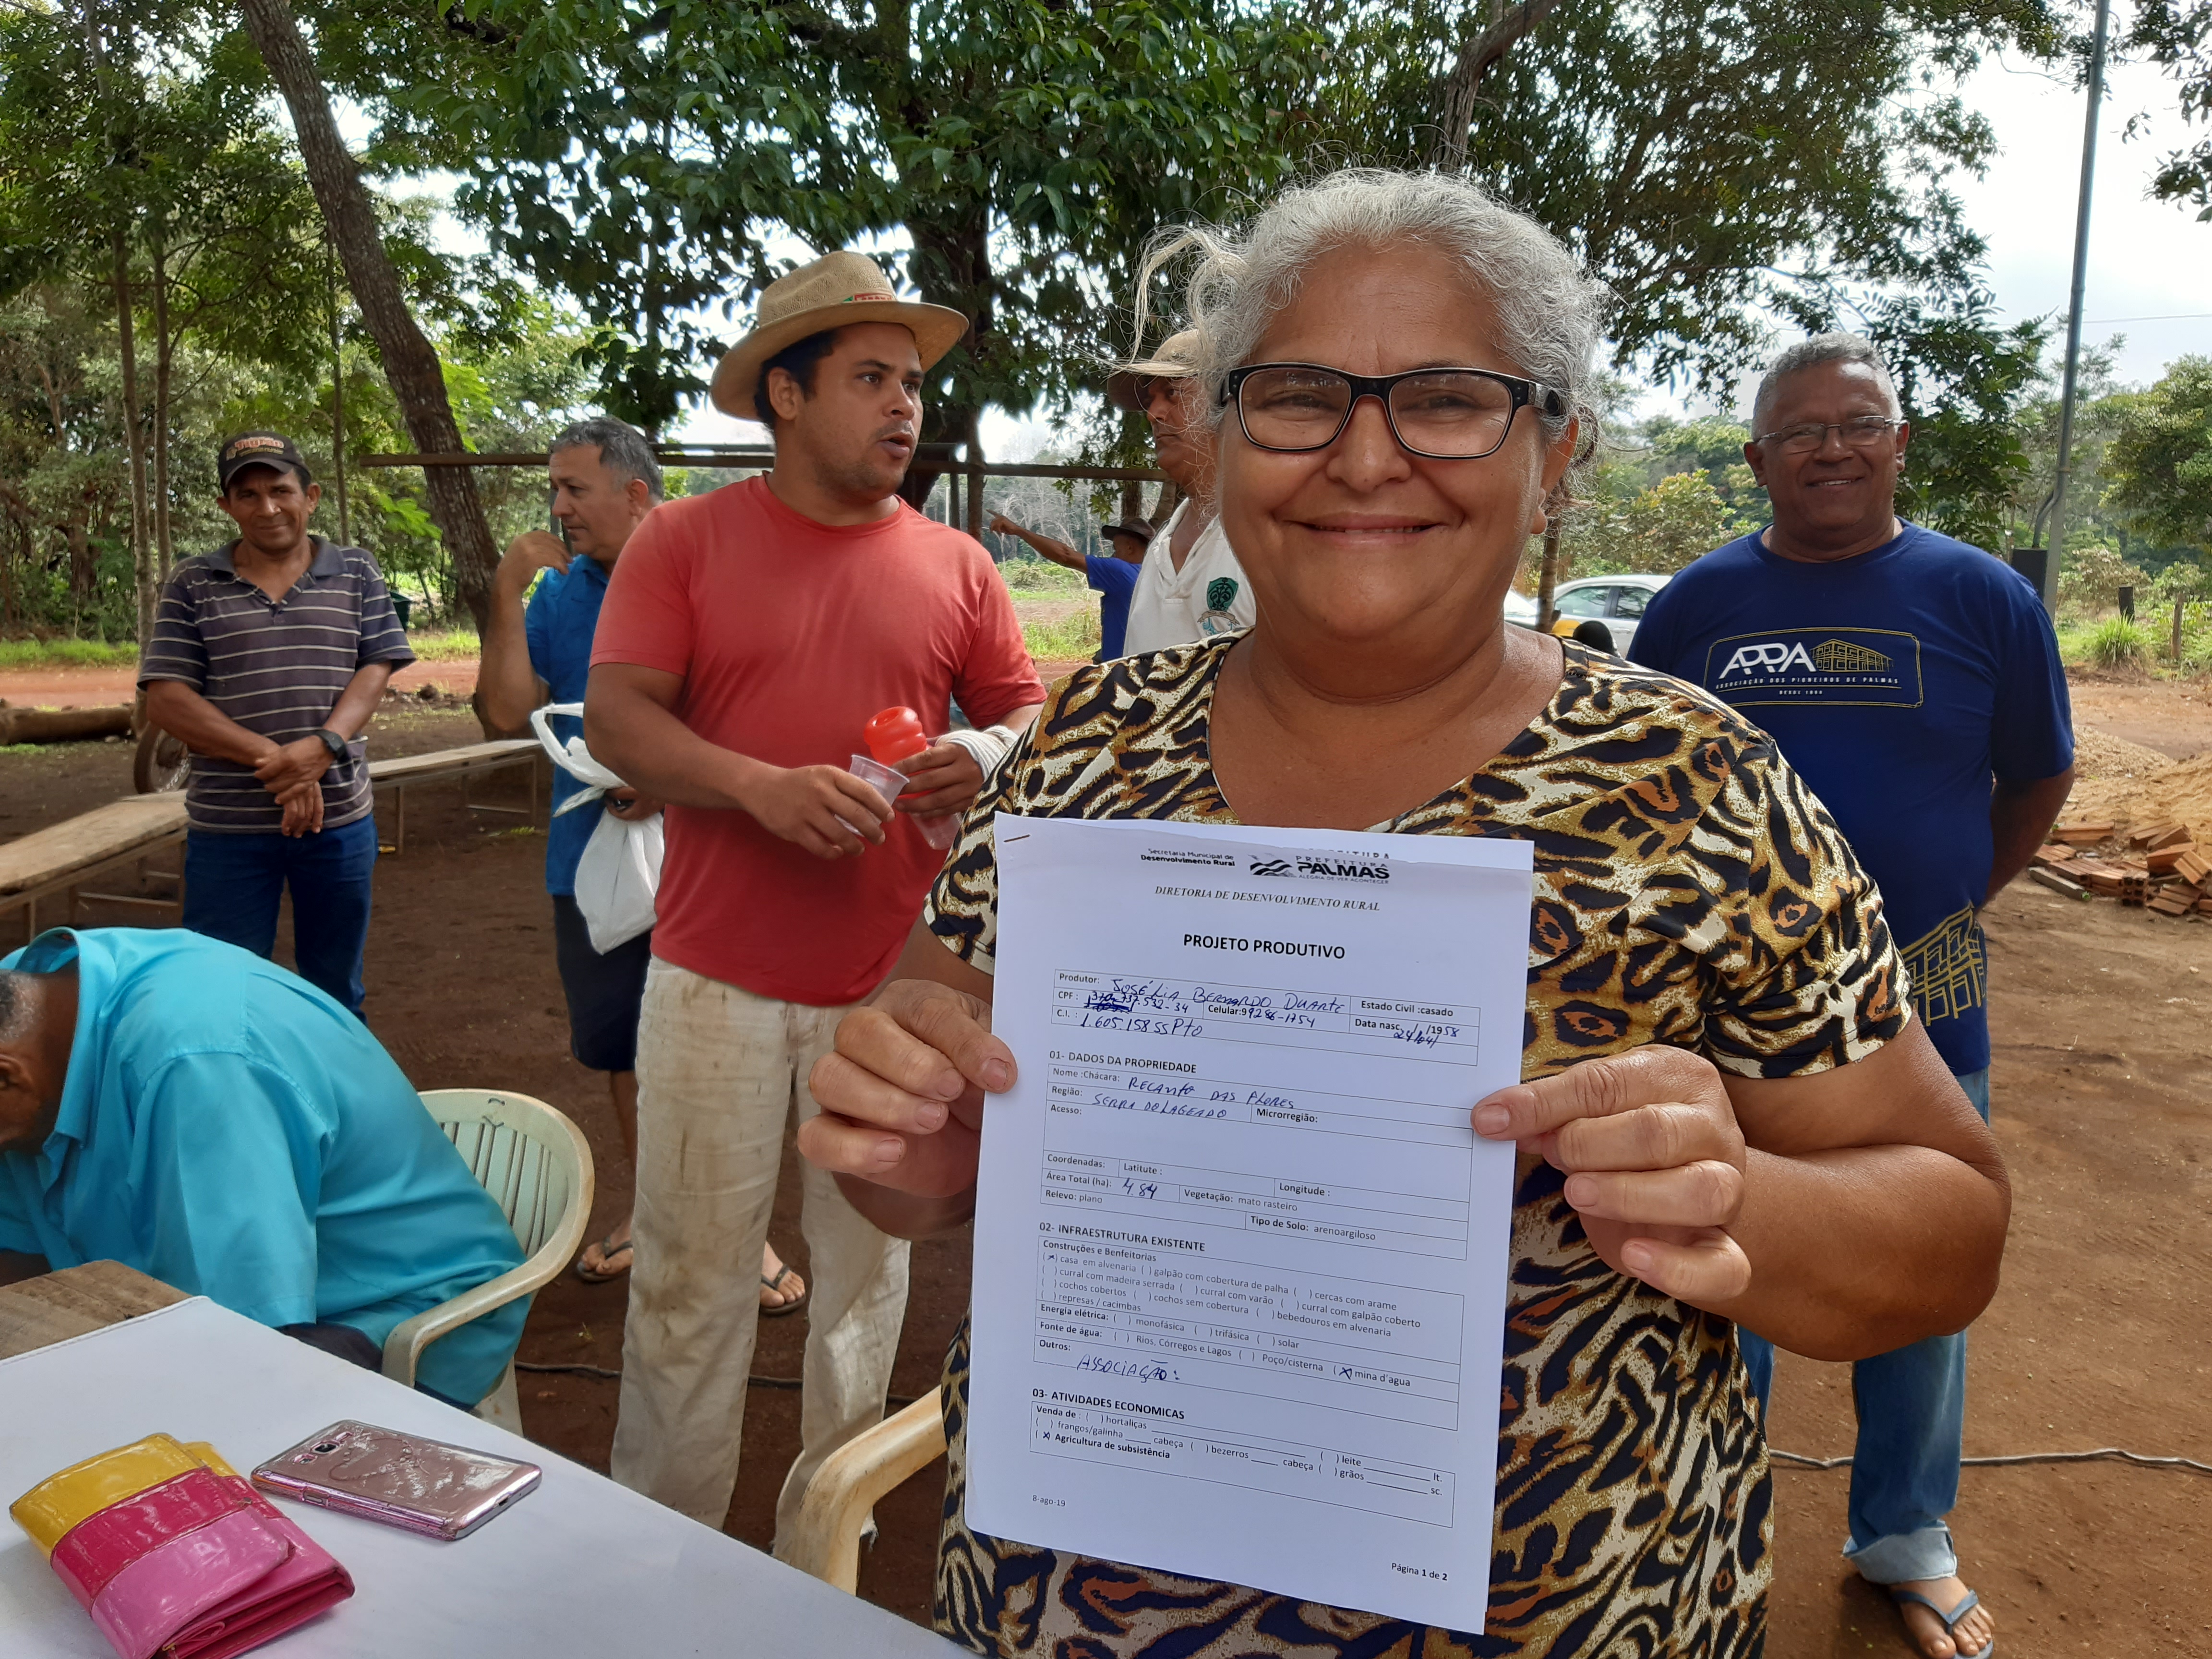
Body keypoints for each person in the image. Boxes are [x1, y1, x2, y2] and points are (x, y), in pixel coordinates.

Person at [796, 170, 2011, 1658]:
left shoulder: (1695, 784)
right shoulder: (1084, 751)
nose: (1365, 458)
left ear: (1553, 451)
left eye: (1447, 399)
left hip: (1561, 1615)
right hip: (1076, 1604)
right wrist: (911, 1140)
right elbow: (921, 1152)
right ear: (1223, 441)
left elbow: (1954, 1232)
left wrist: (1739, 1196)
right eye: (1299, 397)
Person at [583, 251, 1048, 1545]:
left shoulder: (958, 564)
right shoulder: (683, 541)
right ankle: (659, 1547)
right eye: (869, 379)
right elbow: (618, 716)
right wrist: (755, 787)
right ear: (785, 396)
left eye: (912, 383)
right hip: (711, 983)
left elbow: (1026, 711)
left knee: (859, 1297)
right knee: (689, 1284)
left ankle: (821, 1552)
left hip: (890, 994)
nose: (904, 406)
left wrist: (984, 753)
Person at [1629, 332, 2074, 1659]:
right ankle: (1715, 1515)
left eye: (1858, 422)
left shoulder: (1984, 597)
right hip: (1723, 1004)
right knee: (1722, 1258)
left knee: (1920, 1267)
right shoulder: (1695, 607)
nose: (1832, 447)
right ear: (1756, 457)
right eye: (1801, 430)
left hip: (1926, 982)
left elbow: (2038, 775)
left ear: (1898, 443)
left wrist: (1950, 900)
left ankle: (1904, 1537)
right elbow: (1643, 791)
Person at [475, 417, 807, 1315]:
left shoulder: (713, 567)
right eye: (553, 488)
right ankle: (656, 1215)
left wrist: (665, 777)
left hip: (715, 854)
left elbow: (766, 698)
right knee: (626, 1043)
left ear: (633, 493)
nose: (558, 507)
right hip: (591, 865)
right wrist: (507, 588)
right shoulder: (562, 592)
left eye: (573, 488)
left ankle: (745, 1235)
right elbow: (505, 711)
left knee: (731, 1034)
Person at [0, 928, 527, 1407]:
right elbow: (18, 1263)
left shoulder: (200, 1068)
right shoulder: (26, 996)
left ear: (8, 1078)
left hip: (383, 1305)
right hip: (189, 1305)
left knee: (203, 1424)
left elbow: (238, 1344)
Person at [141, 432, 415, 1018]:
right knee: (222, 987)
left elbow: (376, 665)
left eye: (281, 491)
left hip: (338, 820)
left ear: (310, 497)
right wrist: (280, 761)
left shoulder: (357, 571)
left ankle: (336, 1076)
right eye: (248, 495)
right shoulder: (193, 582)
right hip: (229, 828)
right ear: (227, 506)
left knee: (335, 987)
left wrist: (324, 745)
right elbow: (166, 698)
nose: (267, 508)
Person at [1108, 331, 1259, 652]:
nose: (1153, 414)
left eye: (1173, 393)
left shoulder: (1266, 541)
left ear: (1231, 402)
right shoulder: (1160, 548)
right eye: (1150, 401)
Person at [985, 511, 1153, 659]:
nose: (1113, 555)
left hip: (1122, 670)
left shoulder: (1122, 572)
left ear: (1130, 548)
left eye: (1116, 549)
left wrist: (1019, 531)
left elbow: (1065, 555)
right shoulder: (1152, 577)